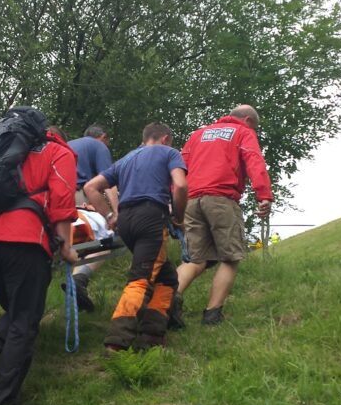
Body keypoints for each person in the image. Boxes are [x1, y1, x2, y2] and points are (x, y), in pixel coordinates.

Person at [0, 119, 78, 405]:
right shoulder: (57, 152)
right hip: (24, 239)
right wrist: (65, 247)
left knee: (17, 311)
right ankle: (2, 404)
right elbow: (62, 202)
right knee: (24, 322)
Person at [83, 122, 187, 353]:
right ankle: (116, 341)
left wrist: (110, 216)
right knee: (142, 277)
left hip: (126, 220)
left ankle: (152, 333)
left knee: (167, 278)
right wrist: (178, 217)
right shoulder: (169, 152)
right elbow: (180, 185)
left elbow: (91, 187)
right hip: (151, 215)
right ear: (165, 138)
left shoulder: (126, 159)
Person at [171, 105, 273, 328]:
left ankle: (168, 300)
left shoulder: (197, 135)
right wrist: (263, 195)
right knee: (230, 257)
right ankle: (212, 314)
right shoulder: (243, 132)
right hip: (221, 199)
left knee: (195, 259)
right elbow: (254, 160)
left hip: (190, 201)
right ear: (247, 120)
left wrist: (174, 204)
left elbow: (179, 169)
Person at [66, 125, 120, 311]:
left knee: (80, 242)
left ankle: (77, 288)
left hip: (59, 199)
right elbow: (108, 183)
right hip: (79, 196)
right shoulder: (99, 147)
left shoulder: (67, 145)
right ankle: (80, 279)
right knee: (107, 239)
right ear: (103, 137)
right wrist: (115, 212)